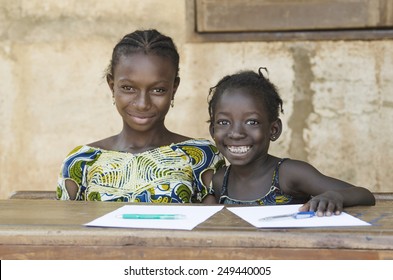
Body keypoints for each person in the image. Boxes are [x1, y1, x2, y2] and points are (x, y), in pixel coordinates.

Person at [57, 29, 224, 203]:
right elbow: (70, 227)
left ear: (174, 88)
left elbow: (212, 226)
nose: (143, 103)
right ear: (111, 85)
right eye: (128, 88)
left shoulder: (201, 156)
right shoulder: (82, 161)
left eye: (158, 90)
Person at [207, 68, 375, 216]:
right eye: (223, 122)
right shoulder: (220, 180)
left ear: (274, 130)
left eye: (252, 122)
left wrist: (334, 196)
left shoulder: (288, 174)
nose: (236, 133)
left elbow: (365, 195)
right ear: (213, 131)